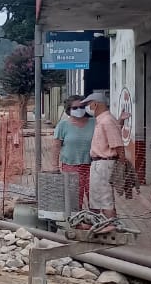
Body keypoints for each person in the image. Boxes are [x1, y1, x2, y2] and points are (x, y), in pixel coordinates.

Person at [82, 92, 125, 221]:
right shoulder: (102, 120)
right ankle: (101, 223)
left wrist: (122, 165)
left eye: (88, 104)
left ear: (95, 104)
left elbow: (117, 144)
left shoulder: (106, 121)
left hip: (104, 163)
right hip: (99, 163)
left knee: (105, 198)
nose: (87, 107)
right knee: (97, 198)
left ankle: (111, 225)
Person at [53, 94, 95, 210]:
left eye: (81, 107)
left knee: (94, 195)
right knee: (75, 196)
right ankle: (76, 221)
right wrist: (54, 166)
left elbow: (111, 129)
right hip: (71, 166)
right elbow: (56, 146)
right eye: (75, 108)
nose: (79, 110)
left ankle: (96, 220)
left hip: (92, 165)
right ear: (68, 110)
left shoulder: (94, 123)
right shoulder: (63, 125)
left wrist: (121, 120)